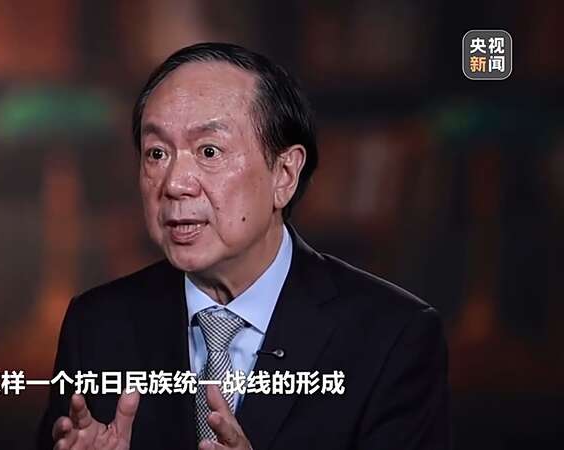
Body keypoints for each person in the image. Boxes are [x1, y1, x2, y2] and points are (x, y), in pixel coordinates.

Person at [37, 42, 451, 450]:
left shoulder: (393, 336)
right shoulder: (97, 325)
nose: (174, 184)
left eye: (209, 151)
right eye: (157, 153)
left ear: (284, 174)